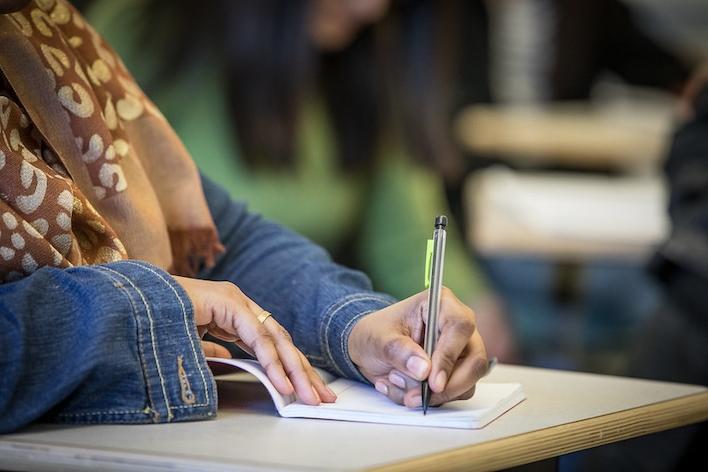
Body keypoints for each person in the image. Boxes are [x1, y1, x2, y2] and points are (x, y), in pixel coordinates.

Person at [0, 0, 488, 434]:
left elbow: (229, 241)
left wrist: (356, 326)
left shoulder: (53, 32)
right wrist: (155, 304)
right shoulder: (151, 31)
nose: (374, 9)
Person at [74, 0, 515, 364]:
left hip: (304, 358)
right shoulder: (148, 31)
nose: (373, 9)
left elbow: (408, 232)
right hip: (167, 358)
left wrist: (466, 316)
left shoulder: (365, 59)